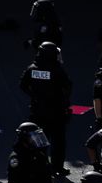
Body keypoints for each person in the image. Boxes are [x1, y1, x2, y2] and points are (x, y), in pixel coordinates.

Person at [20, 42, 73, 175]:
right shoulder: (58, 70)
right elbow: (67, 87)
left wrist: (34, 95)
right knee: (58, 142)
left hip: (38, 111)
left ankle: (40, 166)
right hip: (57, 112)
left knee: (39, 141)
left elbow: (22, 85)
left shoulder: (32, 69)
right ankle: (57, 168)